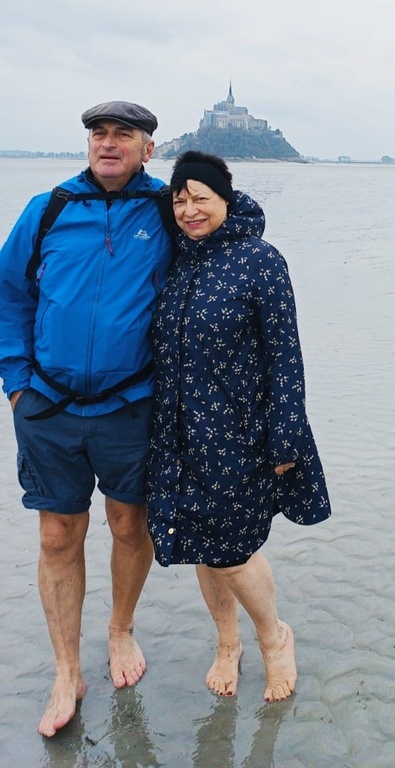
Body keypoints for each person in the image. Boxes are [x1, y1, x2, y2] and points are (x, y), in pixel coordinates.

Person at [0, 101, 173, 737]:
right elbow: (9, 294)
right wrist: (16, 384)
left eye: (122, 135)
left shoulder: (164, 211)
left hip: (132, 404)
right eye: (98, 134)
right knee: (55, 536)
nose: (107, 143)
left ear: (147, 149)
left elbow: (223, 233)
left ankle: (120, 630)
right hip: (47, 403)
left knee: (130, 524)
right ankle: (66, 669)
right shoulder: (48, 209)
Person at [147, 151, 331, 702]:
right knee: (201, 544)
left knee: (234, 548)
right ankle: (227, 643)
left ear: (227, 199)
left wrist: (287, 433)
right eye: (180, 199)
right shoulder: (178, 258)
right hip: (178, 431)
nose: (189, 210)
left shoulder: (261, 260)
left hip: (239, 431)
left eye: (201, 198)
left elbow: (285, 354)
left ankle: (275, 637)